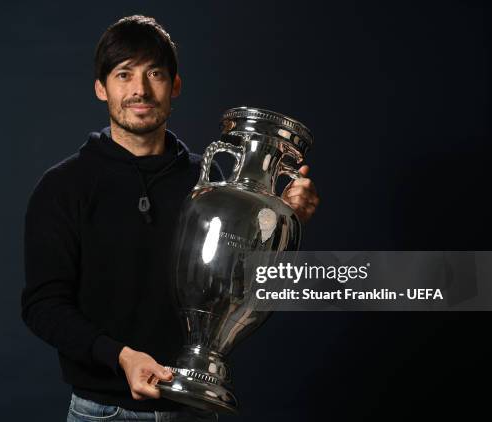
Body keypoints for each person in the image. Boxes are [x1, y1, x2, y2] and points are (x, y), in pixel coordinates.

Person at [21, 15, 320, 422]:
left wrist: (282, 223)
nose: (139, 90)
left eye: (154, 74)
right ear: (100, 88)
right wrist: (120, 357)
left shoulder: (215, 190)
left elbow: (243, 290)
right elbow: (43, 305)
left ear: (174, 85)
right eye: (123, 75)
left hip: (193, 410)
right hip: (100, 412)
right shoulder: (62, 186)